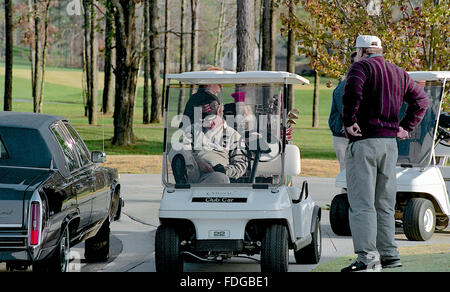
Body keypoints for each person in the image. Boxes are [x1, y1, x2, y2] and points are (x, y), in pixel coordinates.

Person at [341, 35, 429, 272]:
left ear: (361, 51)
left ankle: (367, 258)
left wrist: (349, 121)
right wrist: (406, 126)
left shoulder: (360, 67)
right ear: (379, 49)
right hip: (389, 144)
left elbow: (352, 94)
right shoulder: (399, 72)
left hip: (364, 142)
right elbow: (421, 100)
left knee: (362, 204)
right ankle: (389, 255)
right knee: (384, 203)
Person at [171, 98, 248, 184]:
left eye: (211, 120)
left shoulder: (233, 135)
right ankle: (182, 179)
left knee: (221, 178)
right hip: (193, 172)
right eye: (204, 121)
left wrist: (224, 170)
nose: (208, 124)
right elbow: (185, 152)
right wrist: (198, 162)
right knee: (177, 147)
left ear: (220, 112)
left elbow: (241, 165)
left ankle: (195, 190)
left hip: (214, 175)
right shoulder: (193, 130)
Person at [328, 52, 358, 171]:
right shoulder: (345, 87)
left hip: (353, 135)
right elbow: (347, 112)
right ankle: (346, 190)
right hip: (343, 136)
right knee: (347, 172)